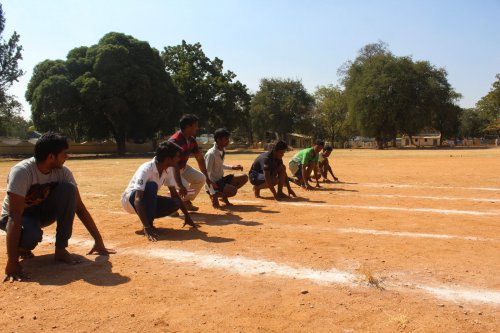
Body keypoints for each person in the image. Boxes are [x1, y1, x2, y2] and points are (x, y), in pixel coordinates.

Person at [1, 132, 115, 283]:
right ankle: (22, 247)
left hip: (41, 213)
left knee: (69, 189)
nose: (67, 157)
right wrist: (12, 262)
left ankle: (61, 250)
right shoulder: (22, 172)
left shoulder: (63, 172)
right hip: (17, 216)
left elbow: (79, 207)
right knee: (31, 236)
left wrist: (98, 241)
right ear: (51, 157)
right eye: (64, 153)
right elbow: (14, 216)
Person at [121, 141, 197, 242]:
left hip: (145, 201)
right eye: (176, 156)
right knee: (152, 186)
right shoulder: (146, 169)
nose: (178, 159)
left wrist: (187, 216)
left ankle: (148, 220)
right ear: (168, 159)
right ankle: (149, 225)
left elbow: (174, 194)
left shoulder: (168, 169)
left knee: (176, 203)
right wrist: (147, 227)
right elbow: (138, 199)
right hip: (130, 201)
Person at [168, 114, 214, 212]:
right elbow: (173, 164)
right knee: (184, 186)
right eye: (196, 125)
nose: (197, 128)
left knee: (201, 178)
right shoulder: (174, 140)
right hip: (171, 170)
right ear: (188, 127)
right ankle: (171, 205)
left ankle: (185, 201)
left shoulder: (191, 139)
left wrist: (207, 178)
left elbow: (200, 158)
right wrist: (180, 185)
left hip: (182, 167)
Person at [204, 128, 248, 208]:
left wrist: (233, 167)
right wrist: (211, 190)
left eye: (228, 138)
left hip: (221, 180)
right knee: (233, 190)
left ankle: (223, 195)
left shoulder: (223, 149)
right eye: (226, 139)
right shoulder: (211, 154)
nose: (228, 141)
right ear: (218, 140)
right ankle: (214, 195)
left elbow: (220, 165)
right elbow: (206, 173)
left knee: (244, 177)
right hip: (213, 183)